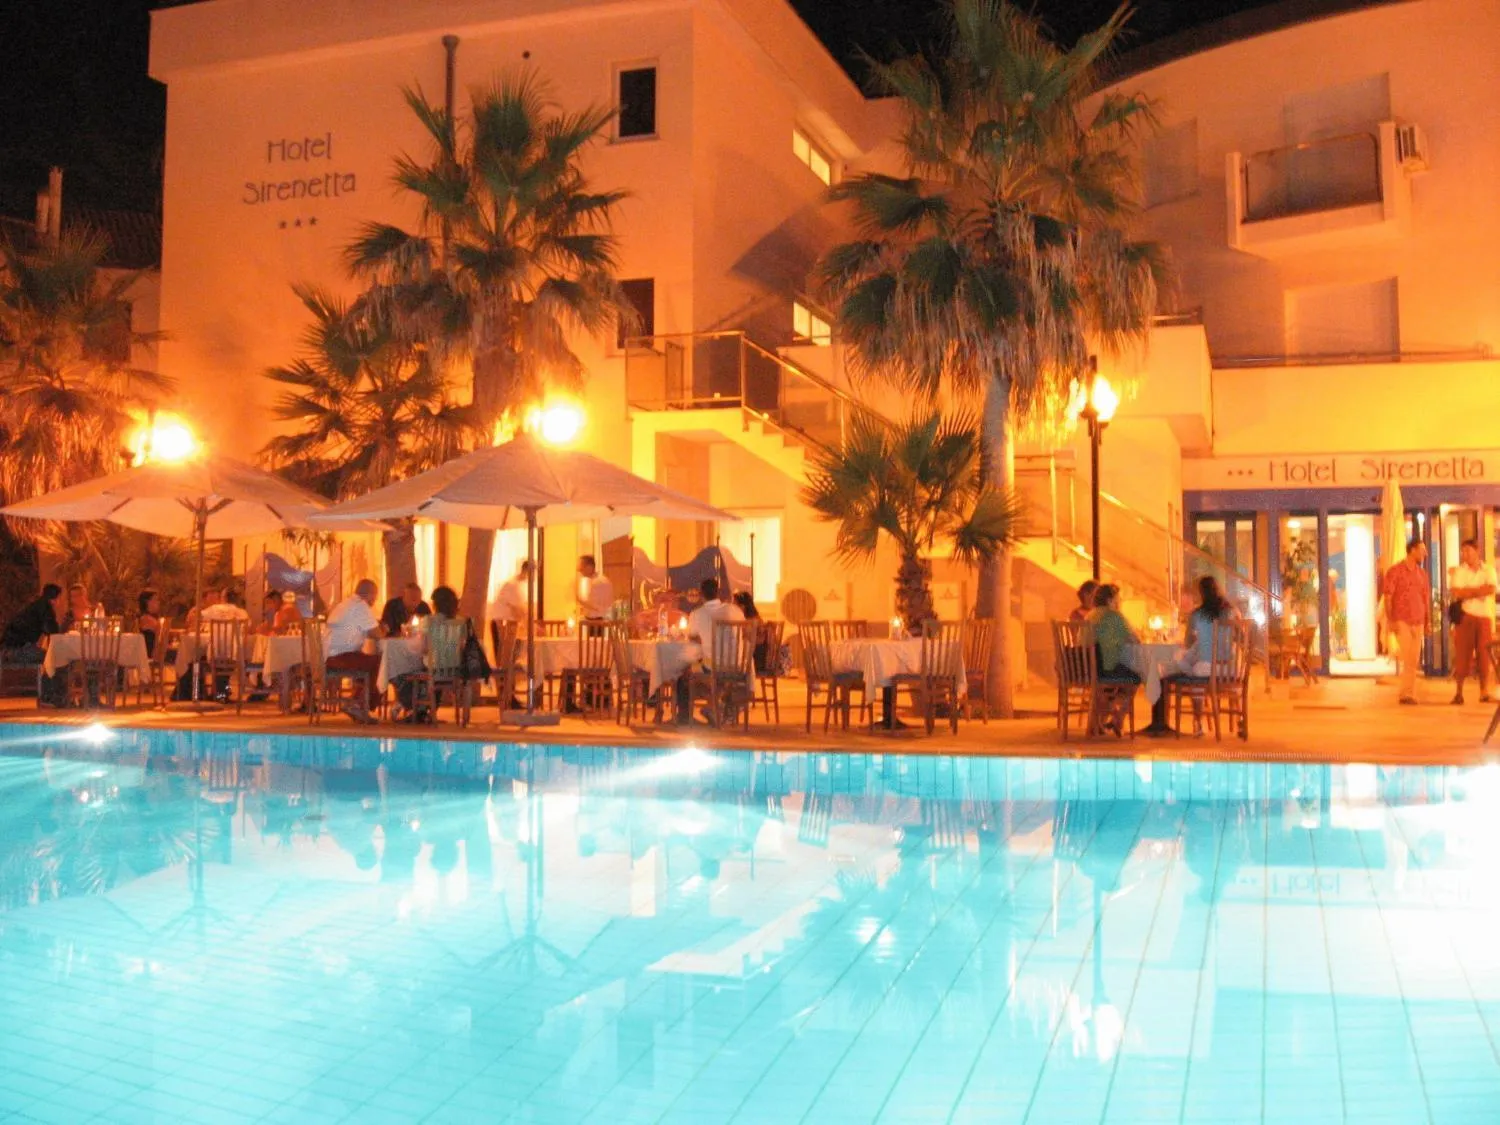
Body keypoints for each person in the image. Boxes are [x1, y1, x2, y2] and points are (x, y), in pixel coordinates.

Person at [677, 578, 746, 726]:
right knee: (707, 672)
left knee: (682, 672)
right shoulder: (735, 610)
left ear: (701, 594)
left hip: (713, 666)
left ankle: (684, 716)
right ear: (718, 592)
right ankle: (715, 705)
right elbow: (745, 632)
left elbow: (691, 636)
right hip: (738, 665)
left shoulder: (697, 614)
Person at [326, 579, 383, 723]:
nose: (374, 601)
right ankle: (357, 704)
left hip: (331, 655)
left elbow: (368, 631)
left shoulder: (345, 604)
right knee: (380, 663)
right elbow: (377, 634)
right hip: (342, 657)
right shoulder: (360, 606)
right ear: (370, 594)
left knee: (368, 660)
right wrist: (384, 630)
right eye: (374, 596)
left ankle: (357, 702)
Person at [1, 584, 67, 705]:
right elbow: (54, 632)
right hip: (17, 651)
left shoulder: (35, 606)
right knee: (53, 659)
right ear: (56, 598)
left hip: (6, 650)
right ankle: (49, 697)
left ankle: (50, 696)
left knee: (50, 657)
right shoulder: (46, 608)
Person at [1383, 538, 1430, 706]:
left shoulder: (1422, 574)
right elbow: (1388, 597)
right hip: (1401, 619)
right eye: (1422, 550)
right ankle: (1406, 693)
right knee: (1408, 656)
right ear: (1412, 550)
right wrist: (1391, 620)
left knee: (1414, 658)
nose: (1425, 553)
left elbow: (1425, 599)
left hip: (1418, 620)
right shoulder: (1395, 571)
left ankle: (1408, 693)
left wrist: (1427, 622)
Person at [1448, 538, 1495, 705]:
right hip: (1465, 617)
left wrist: (1468, 591)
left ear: (1477, 551)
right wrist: (1478, 591)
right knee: (1462, 656)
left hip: (1484, 617)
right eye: (1463, 551)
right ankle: (1459, 692)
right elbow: (1457, 593)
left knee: (1484, 655)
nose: (1465, 554)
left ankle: (1484, 691)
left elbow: (1491, 589)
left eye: (1468, 550)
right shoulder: (1460, 571)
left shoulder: (1488, 570)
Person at [1086, 584, 1141, 684]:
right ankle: (1124, 698)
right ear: (1109, 600)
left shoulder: (1089, 615)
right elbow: (1135, 641)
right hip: (1105, 671)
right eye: (1118, 598)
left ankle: (1111, 697)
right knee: (1141, 672)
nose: (1120, 602)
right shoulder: (1114, 615)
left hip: (1085, 670)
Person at [577, 555, 615, 621]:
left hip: (598, 621)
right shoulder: (587, 581)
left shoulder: (600, 582)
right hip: (592, 620)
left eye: (582, 568)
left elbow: (601, 606)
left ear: (589, 567)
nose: (580, 571)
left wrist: (582, 601)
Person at [137, 590, 162, 657]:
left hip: (145, 655)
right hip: (146, 655)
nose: (158, 602)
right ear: (147, 602)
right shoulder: (147, 619)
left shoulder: (148, 619)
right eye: (155, 600)